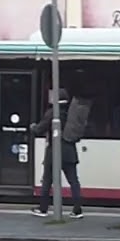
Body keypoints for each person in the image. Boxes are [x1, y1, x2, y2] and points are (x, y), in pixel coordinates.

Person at [29, 88, 84, 219]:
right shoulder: (71, 112)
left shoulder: (52, 113)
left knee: (47, 180)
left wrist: (33, 127)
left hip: (54, 152)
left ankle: (43, 209)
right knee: (74, 181)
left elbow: (39, 129)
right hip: (69, 151)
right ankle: (77, 209)